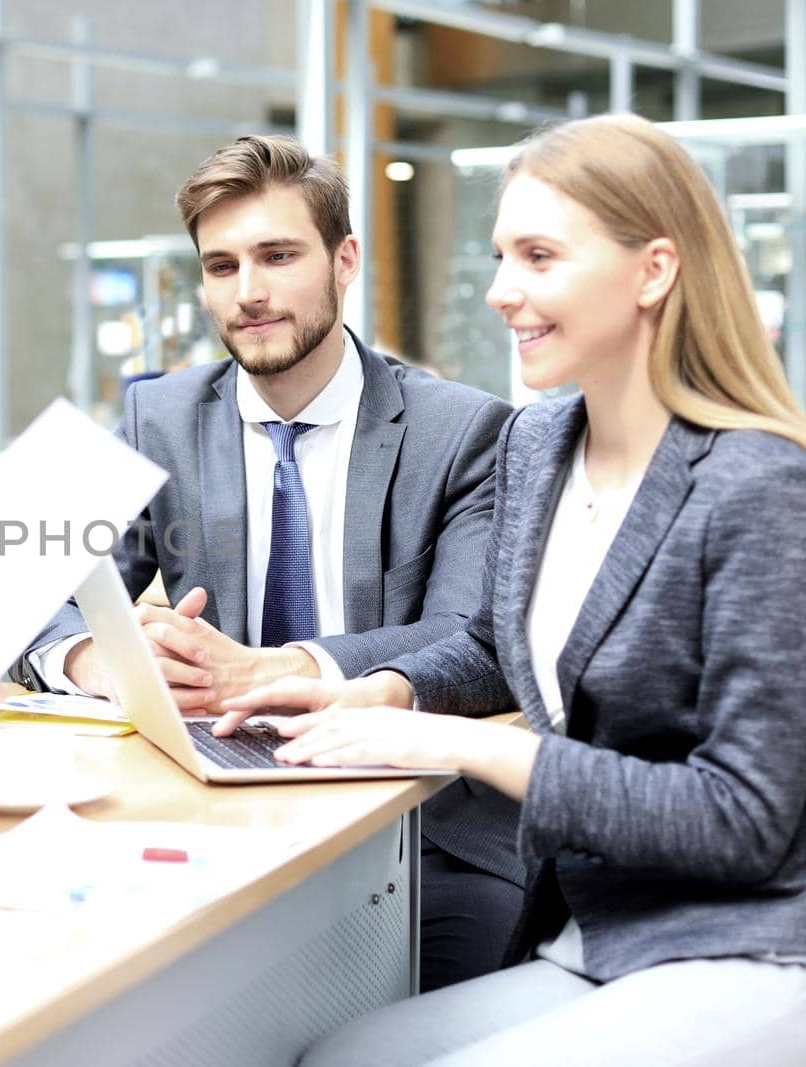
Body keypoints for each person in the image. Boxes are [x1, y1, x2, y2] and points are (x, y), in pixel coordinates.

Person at [215, 114, 806, 1065]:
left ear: (653, 271)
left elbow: (744, 819)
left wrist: (455, 746)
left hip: (753, 940)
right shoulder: (541, 443)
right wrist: (371, 689)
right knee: (340, 1057)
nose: (500, 292)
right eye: (500, 256)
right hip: (598, 929)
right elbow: (497, 644)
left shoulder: (757, 486)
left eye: (538, 256)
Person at [14, 134, 517, 990]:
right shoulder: (159, 416)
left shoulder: (466, 429)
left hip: (423, 833)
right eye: (221, 266)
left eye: (278, 256)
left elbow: (471, 639)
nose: (248, 293)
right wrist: (105, 657)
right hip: (220, 815)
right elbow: (22, 596)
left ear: (344, 259)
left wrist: (287, 667)